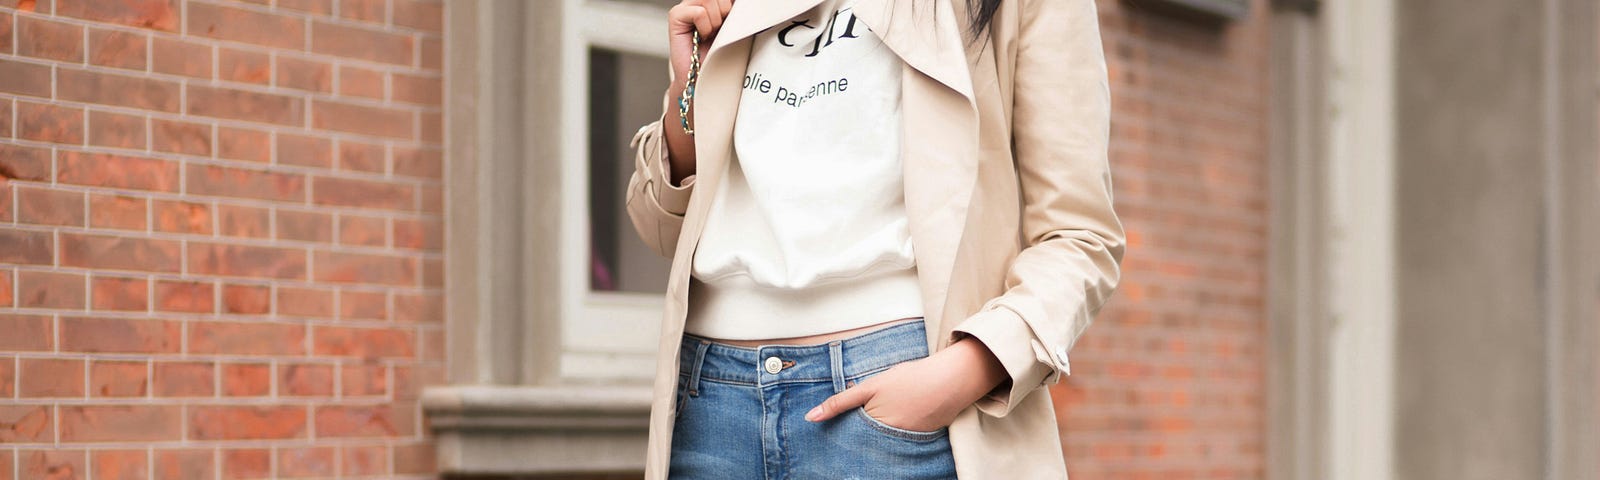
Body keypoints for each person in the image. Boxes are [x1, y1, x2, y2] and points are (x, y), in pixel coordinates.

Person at [625, 0, 1125, 477]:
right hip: (710, 400)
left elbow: (1080, 235)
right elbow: (660, 229)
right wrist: (689, 90)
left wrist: (963, 373)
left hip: (895, 393)